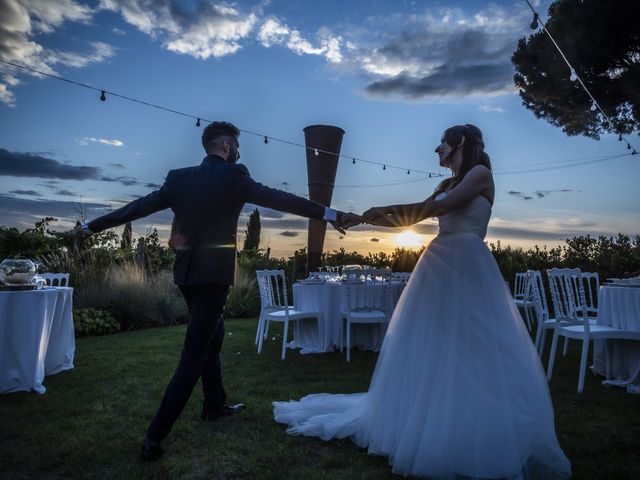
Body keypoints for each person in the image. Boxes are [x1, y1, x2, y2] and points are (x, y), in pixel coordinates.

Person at [273, 124, 571, 479]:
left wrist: (379, 209)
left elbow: (430, 209)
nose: (437, 150)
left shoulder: (480, 174)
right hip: (439, 265)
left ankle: (470, 419)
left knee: (474, 342)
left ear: (459, 141)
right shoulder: (449, 182)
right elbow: (420, 212)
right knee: (434, 341)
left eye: (442, 143)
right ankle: (430, 415)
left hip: (469, 265)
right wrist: (361, 219)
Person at [73, 121, 356, 462]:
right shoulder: (235, 176)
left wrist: (92, 226)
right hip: (213, 276)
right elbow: (283, 199)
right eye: (236, 145)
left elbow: (136, 208)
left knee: (213, 336)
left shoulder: (177, 178)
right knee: (194, 352)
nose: (238, 151)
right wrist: (330, 214)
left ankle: (214, 405)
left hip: (186, 275)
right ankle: (154, 436)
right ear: (225, 146)